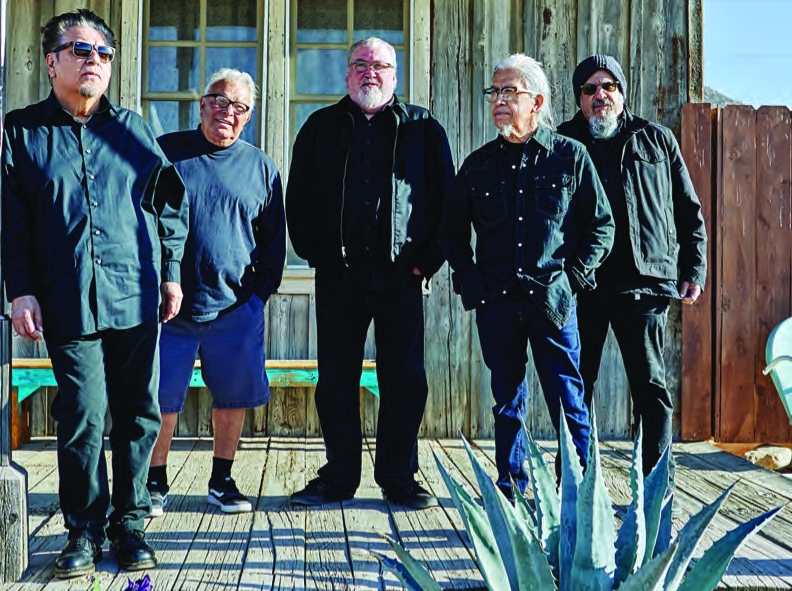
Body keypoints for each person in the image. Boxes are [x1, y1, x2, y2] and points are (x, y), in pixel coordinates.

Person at [1, 9, 188, 578]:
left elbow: (168, 205)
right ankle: (83, 528)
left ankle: (130, 524)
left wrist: (172, 272)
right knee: (82, 414)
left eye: (103, 53)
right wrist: (21, 290)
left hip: (135, 292)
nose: (94, 61)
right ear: (51, 61)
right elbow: (11, 221)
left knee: (138, 412)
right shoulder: (21, 132)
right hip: (67, 297)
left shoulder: (132, 129)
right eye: (80, 50)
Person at [285, 37, 454, 509]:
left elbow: (448, 202)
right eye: (360, 64)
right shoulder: (320, 127)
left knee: (405, 380)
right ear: (347, 74)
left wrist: (426, 262)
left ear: (395, 76)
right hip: (338, 278)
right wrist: (317, 255)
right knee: (335, 382)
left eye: (380, 65)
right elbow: (298, 199)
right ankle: (339, 478)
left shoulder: (423, 128)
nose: (370, 72)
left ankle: (399, 479)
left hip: (401, 278)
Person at [439, 54, 614, 499]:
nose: (498, 100)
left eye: (508, 92)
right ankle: (511, 493)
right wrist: (470, 281)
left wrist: (572, 280)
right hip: (497, 303)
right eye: (494, 92)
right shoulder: (477, 166)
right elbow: (450, 234)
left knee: (569, 402)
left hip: (553, 303)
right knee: (507, 404)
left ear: (536, 101)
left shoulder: (570, 157)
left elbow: (602, 226)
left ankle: (577, 496)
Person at [557, 54, 707, 475]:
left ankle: (656, 492)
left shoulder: (656, 140)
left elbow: (688, 210)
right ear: (579, 99)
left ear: (622, 93)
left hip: (642, 284)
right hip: (581, 283)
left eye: (609, 86)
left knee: (650, 390)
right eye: (590, 89)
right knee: (575, 389)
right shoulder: (562, 142)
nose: (600, 95)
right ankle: (572, 487)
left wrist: (693, 269)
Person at [146, 69, 285, 516]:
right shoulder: (166, 153)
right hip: (168, 310)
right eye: (220, 102)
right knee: (162, 397)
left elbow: (274, 245)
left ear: (248, 116)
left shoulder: (261, 168)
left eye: (239, 107)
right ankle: (154, 482)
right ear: (203, 104)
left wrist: (257, 299)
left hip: (235, 308)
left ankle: (222, 481)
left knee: (232, 397)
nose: (228, 112)